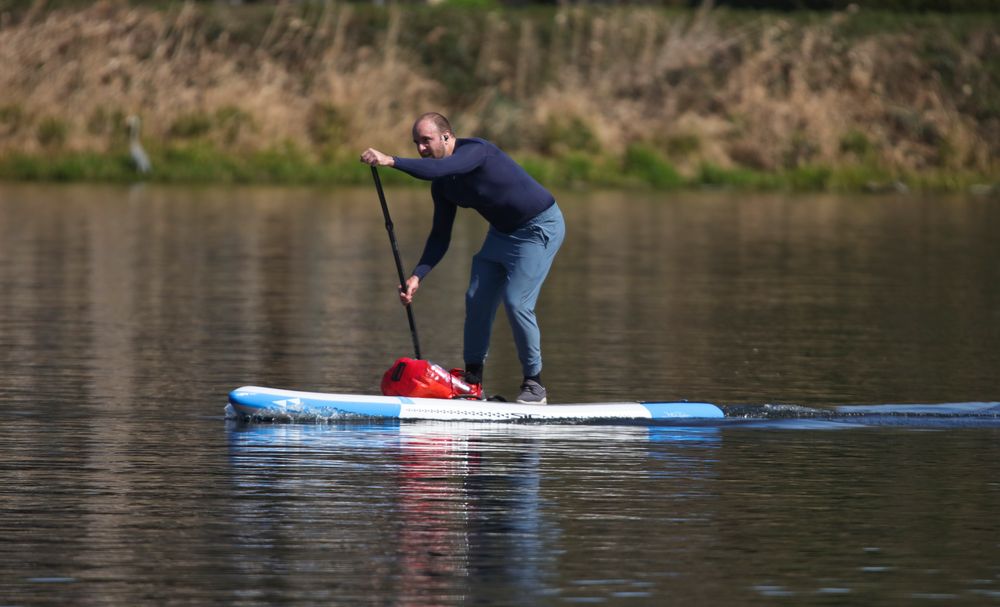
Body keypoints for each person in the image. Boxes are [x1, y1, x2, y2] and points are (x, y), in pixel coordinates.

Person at [360, 112, 565, 404]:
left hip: (538, 228)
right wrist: (417, 276)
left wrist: (391, 160)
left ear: (446, 137)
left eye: (426, 141)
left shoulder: (476, 151)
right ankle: (473, 383)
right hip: (502, 234)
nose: (420, 149)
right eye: (416, 143)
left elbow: (434, 169)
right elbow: (440, 236)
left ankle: (535, 386)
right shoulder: (443, 185)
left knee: (517, 301)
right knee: (476, 298)